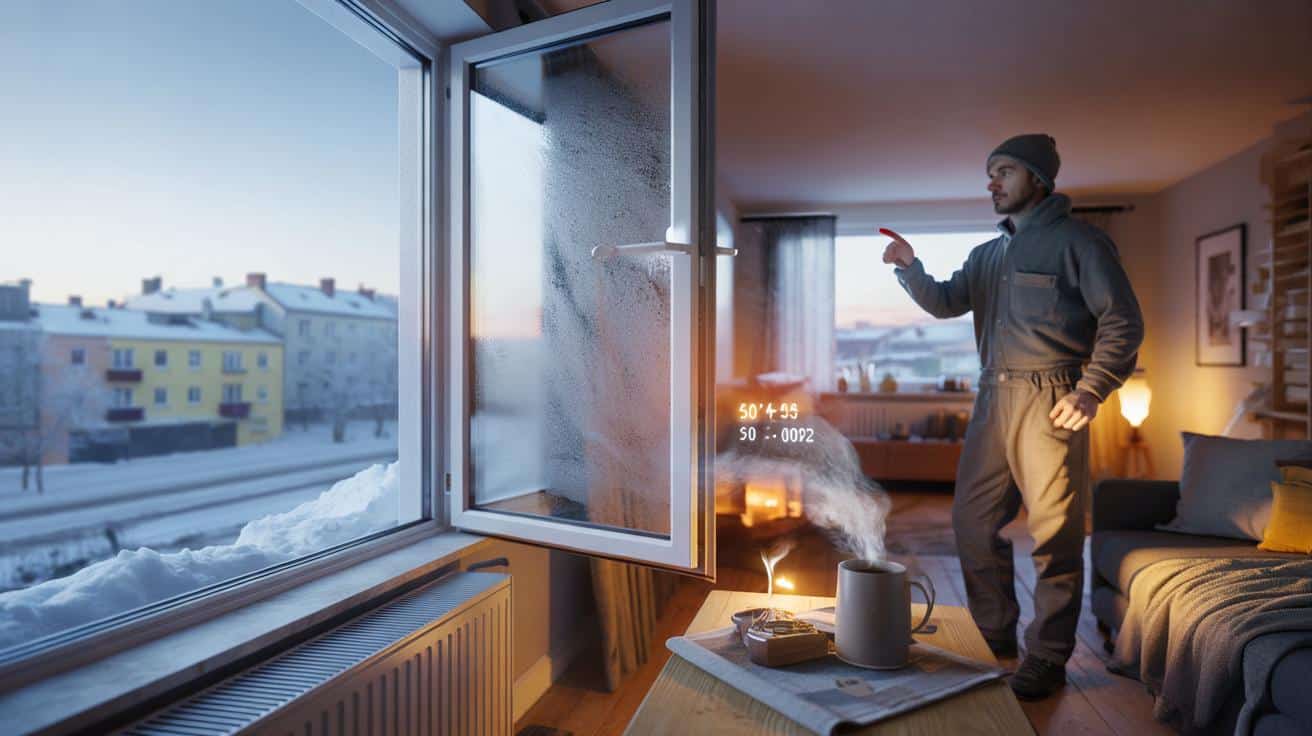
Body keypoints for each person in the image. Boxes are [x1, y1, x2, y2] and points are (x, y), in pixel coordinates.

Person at [881, 134, 1144, 700]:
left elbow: (1123, 321)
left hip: (1053, 400)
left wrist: (1092, 390)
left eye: (1003, 170)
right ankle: (993, 634)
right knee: (973, 523)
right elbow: (947, 300)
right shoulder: (988, 255)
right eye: (989, 172)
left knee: (1054, 536)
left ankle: (1048, 655)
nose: (991, 182)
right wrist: (909, 266)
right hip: (991, 400)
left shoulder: (1081, 243)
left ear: (1038, 178)